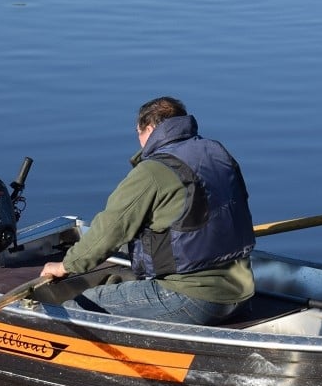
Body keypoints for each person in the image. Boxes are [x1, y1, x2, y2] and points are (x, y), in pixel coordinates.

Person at [40, 96, 255, 325]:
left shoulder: (152, 171)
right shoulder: (217, 154)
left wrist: (65, 266)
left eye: (138, 132)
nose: (139, 141)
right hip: (241, 290)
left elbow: (108, 231)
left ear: (150, 128)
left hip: (192, 298)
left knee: (79, 307)